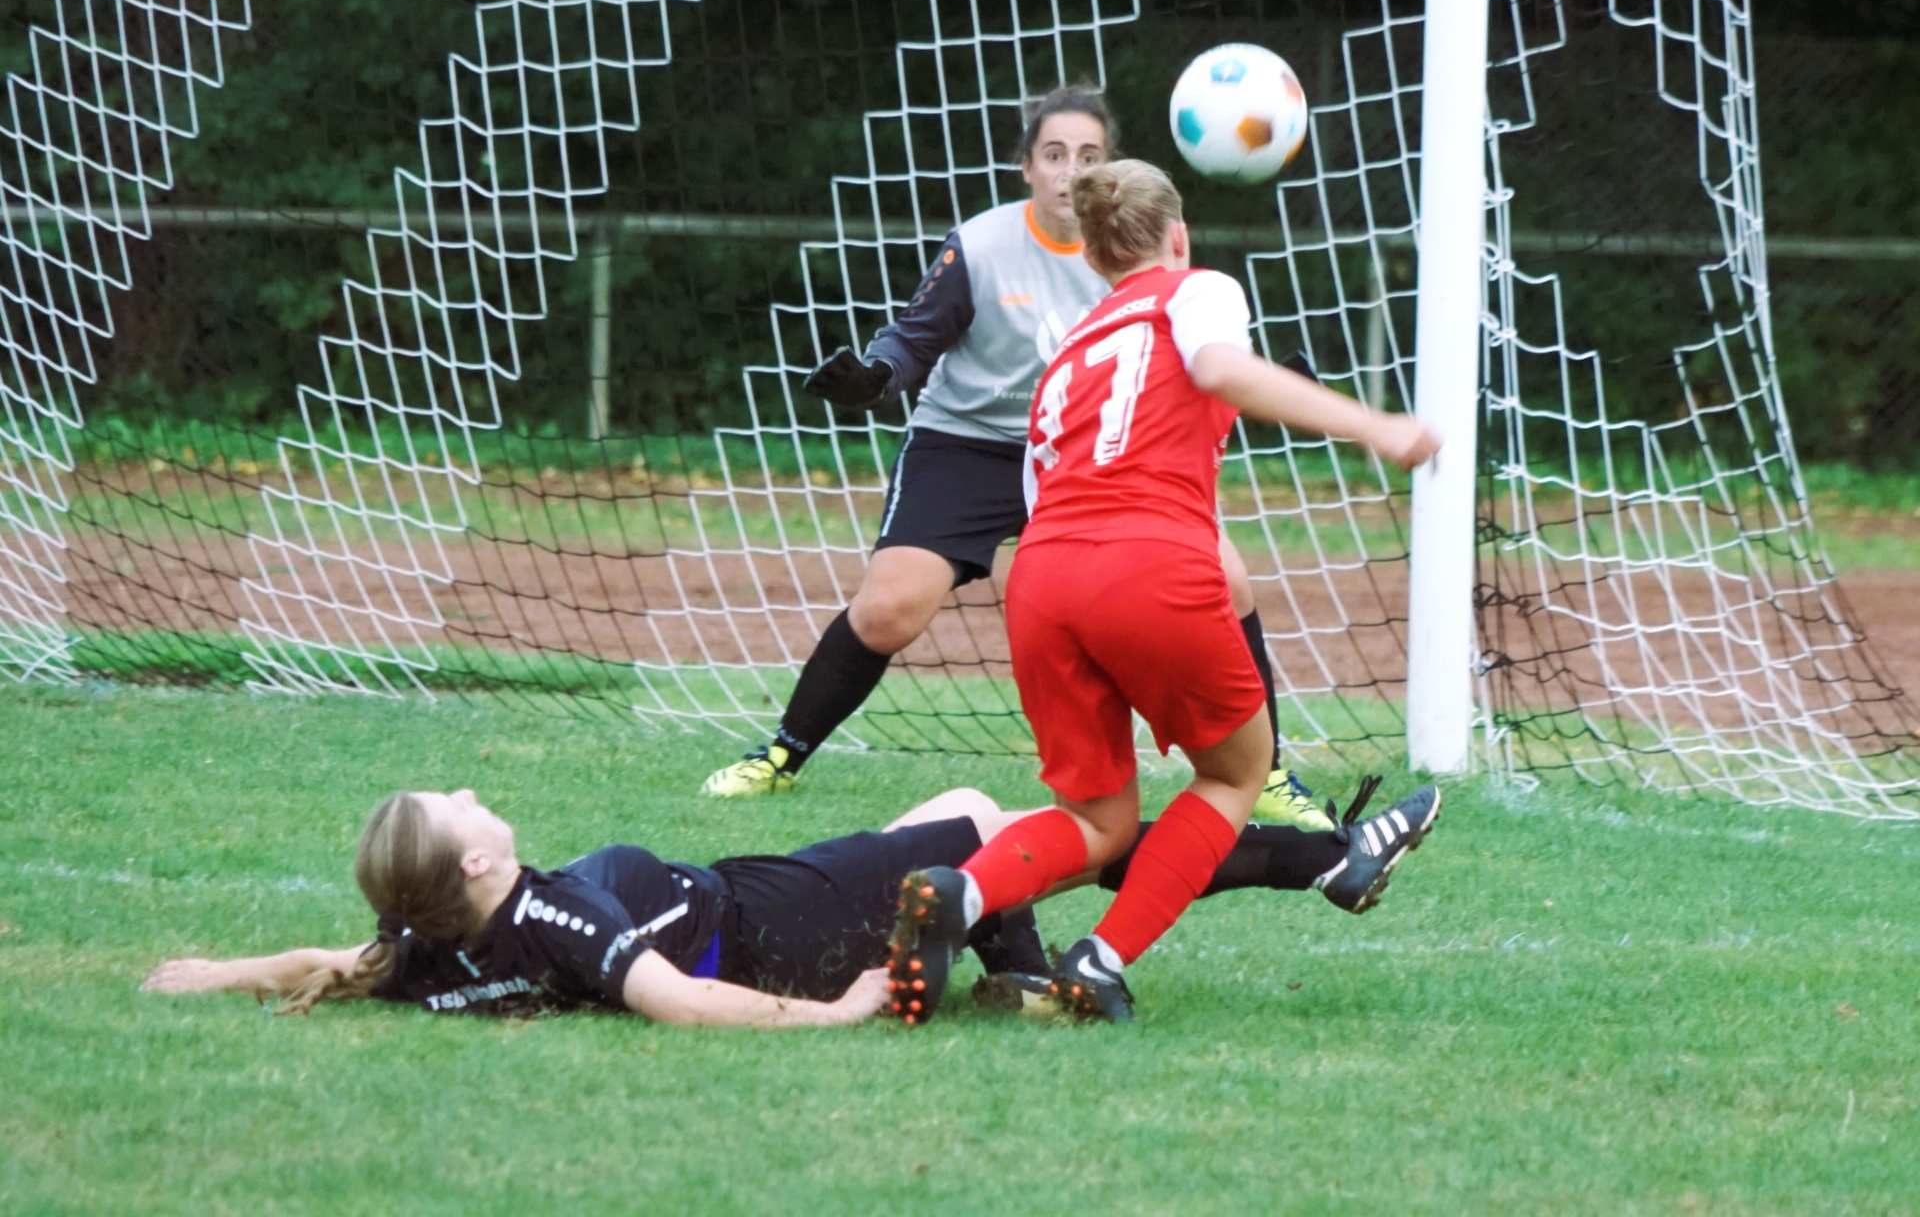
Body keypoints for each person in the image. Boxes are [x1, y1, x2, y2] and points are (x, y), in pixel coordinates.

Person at [884, 160, 1444, 1025]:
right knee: (1236, 773)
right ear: (1177, 235)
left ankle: (960, 893)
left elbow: (1047, 488)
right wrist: (1375, 425)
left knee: (1097, 819)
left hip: (1041, 576)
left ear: (1092, 256)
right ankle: (1099, 960)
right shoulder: (1197, 289)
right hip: (1143, 561)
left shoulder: (1069, 349)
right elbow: (1219, 368)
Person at [701, 84, 1329, 830]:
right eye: (1054, 154)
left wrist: (1269, 387)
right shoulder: (982, 245)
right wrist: (876, 377)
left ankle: (1267, 773)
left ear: (1111, 169)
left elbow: (1186, 368)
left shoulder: (1135, 255)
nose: (1070, 171)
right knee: (890, 610)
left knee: (1230, 581)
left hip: (1088, 454)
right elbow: (912, 340)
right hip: (966, 445)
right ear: (1026, 165)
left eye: (1089, 156)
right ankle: (780, 756)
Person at [141, 776, 1433, 1027]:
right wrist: (835, 1011)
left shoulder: (431, 938)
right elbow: (673, 996)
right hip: (776, 930)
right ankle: (1311, 860)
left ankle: (1007, 961)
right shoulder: (557, 918)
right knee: (1009, 828)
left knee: (966, 809)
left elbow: (340, 955)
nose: (474, 793)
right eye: (455, 806)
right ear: (471, 865)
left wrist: (222, 972)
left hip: (753, 899)